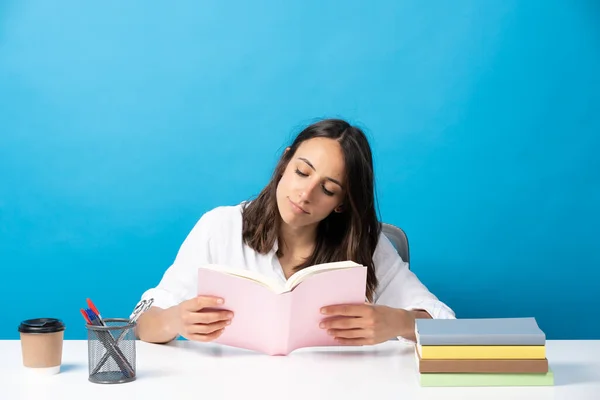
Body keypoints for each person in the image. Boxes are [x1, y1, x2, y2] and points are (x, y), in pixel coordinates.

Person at [135, 118, 455, 346]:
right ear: (285, 161)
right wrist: (175, 320)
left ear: (341, 204)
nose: (305, 194)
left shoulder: (366, 247)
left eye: (328, 190)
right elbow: (142, 323)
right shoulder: (220, 227)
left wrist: (397, 322)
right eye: (302, 172)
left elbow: (448, 327)